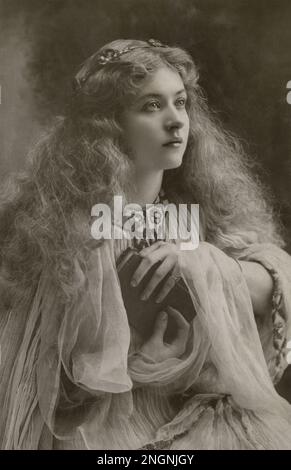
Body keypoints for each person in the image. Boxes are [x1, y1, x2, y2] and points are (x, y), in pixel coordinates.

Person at [0, 38, 291, 450]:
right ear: (111, 125)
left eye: (181, 102)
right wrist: (146, 362)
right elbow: (44, 390)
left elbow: (276, 284)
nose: (176, 121)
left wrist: (199, 264)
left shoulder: (202, 211)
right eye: (151, 106)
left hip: (198, 415)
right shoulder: (70, 235)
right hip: (103, 430)